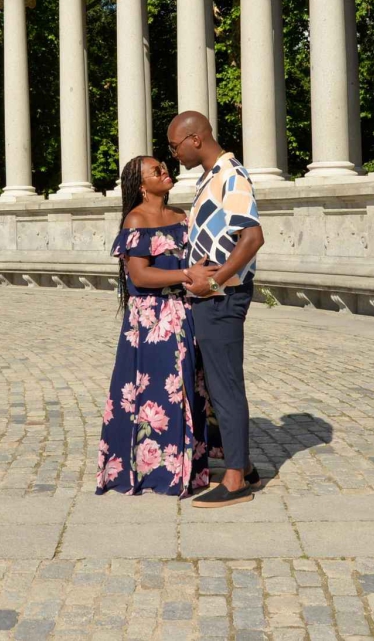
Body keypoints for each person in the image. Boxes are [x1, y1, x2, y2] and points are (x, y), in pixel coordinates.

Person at [95, 155, 217, 497]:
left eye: (165, 167)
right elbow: (139, 274)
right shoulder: (136, 219)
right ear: (141, 185)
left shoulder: (182, 217)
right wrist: (185, 275)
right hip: (150, 321)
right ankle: (152, 471)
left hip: (185, 312)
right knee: (153, 394)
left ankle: (186, 467)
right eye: (156, 171)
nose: (166, 173)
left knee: (186, 390)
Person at [167, 110, 266, 508]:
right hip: (210, 298)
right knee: (215, 385)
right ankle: (242, 465)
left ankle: (237, 480)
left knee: (226, 387)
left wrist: (216, 278)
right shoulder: (210, 178)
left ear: (195, 139)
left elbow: (253, 236)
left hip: (222, 298)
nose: (174, 154)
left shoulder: (231, 175)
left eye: (175, 146)